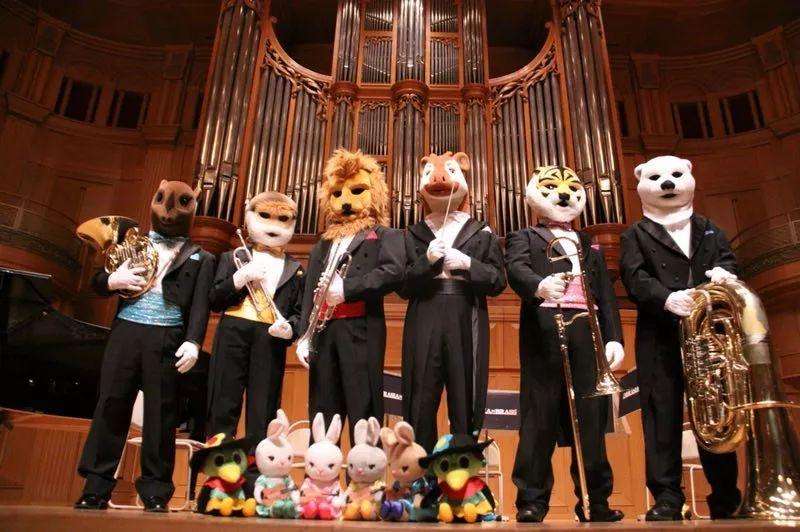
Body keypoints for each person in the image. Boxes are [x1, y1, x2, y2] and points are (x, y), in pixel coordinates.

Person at [75, 180, 215, 512]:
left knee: (162, 414)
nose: (168, 213)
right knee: (111, 405)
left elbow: (200, 305)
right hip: (127, 332)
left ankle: (156, 491)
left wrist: (194, 341)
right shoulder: (131, 243)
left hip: (168, 337)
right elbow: (97, 281)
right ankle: (96, 487)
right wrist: (113, 280)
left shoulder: (202, 257)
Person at [620, 155, 741, 521]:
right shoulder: (635, 234)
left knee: (716, 410)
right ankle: (667, 497)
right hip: (659, 333)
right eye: (658, 178)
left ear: (689, 175)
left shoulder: (709, 228)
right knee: (661, 412)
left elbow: (729, 261)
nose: (668, 184)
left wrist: (726, 274)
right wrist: (665, 297)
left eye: (675, 175)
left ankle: (725, 496)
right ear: (641, 182)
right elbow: (633, 276)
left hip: (708, 333)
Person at [506, 165, 625, 523]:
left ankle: (595, 501)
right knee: (538, 415)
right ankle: (532, 500)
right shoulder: (524, 236)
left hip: (587, 330)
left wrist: (614, 337)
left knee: (591, 418)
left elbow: (605, 294)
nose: (562, 195)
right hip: (544, 329)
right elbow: (516, 269)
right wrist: (539, 285)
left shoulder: (589, 243)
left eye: (571, 189)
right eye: (552, 189)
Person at [295, 149, 404, 441]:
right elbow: (309, 292)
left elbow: (393, 272)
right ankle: (320, 470)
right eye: (338, 193)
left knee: (363, 409)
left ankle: (365, 471)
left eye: (357, 191)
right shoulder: (321, 245)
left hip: (360, 329)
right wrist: (304, 336)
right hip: (323, 333)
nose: (345, 201)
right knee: (322, 412)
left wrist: (346, 289)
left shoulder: (385, 235)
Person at [401, 151, 506, 452]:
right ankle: (422, 472)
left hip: (465, 310)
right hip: (425, 309)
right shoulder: (413, 234)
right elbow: (403, 286)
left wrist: (468, 264)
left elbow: (498, 281)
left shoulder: (481, 231)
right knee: (421, 391)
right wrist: (426, 262)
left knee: (464, 392)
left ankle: (462, 470)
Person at [206, 191, 304, 486]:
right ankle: (218, 481)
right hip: (232, 331)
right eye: (265, 216)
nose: (273, 224)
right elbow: (214, 299)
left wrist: (290, 329)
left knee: (264, 411)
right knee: (223, 404)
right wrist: (239, 279)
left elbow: (299, 313)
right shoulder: (232, 257)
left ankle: (256, 481)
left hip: (269, 339)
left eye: (282, 218)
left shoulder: (296, 269)